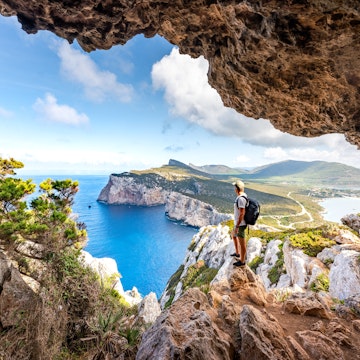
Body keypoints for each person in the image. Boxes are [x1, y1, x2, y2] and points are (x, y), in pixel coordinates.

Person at [231, 180, 247, 267]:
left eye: (235, 188)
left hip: (240, 224)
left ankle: (242, 261)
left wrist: (237, 225)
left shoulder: (241, 199)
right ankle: (237, 253)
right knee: (233, 235)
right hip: (237, 223)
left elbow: (242, 213)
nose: (234, 189)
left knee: (242, 243)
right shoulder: (241, 197)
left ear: (237, 189)